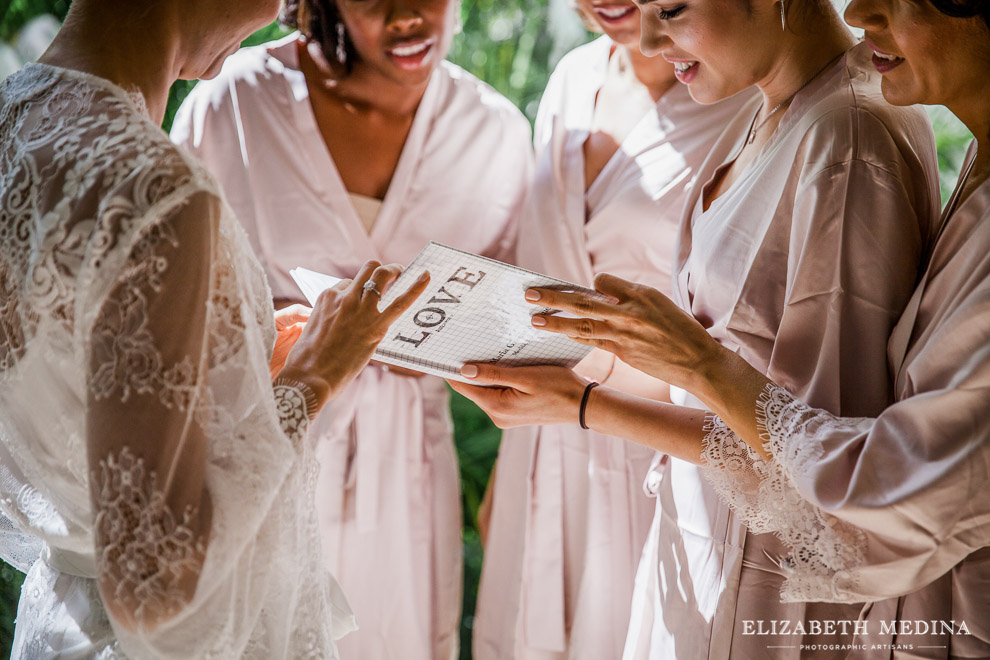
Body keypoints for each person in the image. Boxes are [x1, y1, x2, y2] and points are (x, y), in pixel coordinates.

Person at [464, 0, 990, 654]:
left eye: (674, 10)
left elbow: (836, 467)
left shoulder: (848, 140)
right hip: (699, 533)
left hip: (774, 578)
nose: (651, 38)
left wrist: (672, 372)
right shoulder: (767, 109)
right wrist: (583, 401)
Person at [0, 0, 429, 657]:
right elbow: (150, 586)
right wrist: (312, 380)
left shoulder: (12, 120)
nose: (285, 9)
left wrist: (241, 376)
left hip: (58, 630)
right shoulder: (155, 191)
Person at [169, 2, 532, 658]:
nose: (407, 17)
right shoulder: (231, 106)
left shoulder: (494, 133)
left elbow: (508, 329)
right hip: (261, 449)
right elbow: (170, 308)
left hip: (410, 476)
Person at [471, 1, 750, 658]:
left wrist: (590, 405)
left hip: (653, 453)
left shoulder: (741, 102)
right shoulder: (574, 76)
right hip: (537, 447)